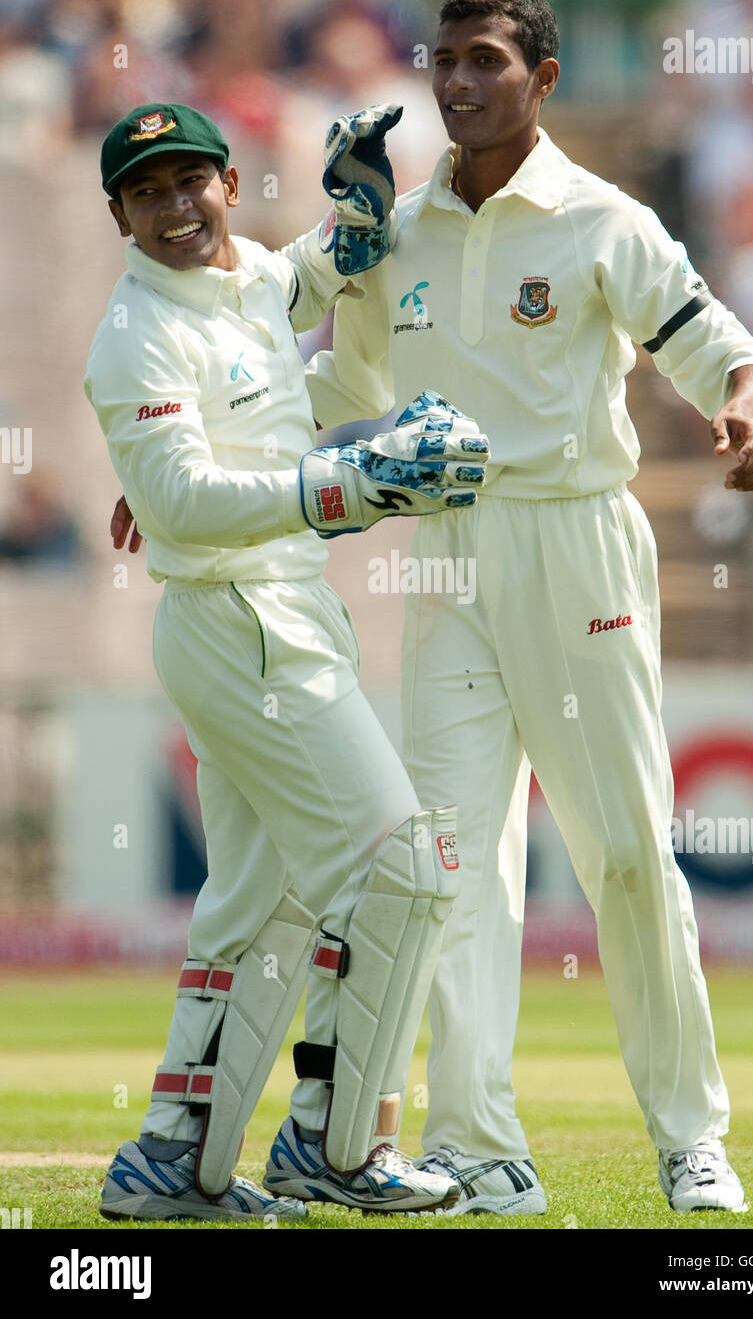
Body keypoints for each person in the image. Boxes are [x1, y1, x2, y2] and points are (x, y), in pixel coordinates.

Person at [299, 0, 753, 1216]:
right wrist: (322, 281)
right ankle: (476, 1147)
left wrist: (738, 404)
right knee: (451, 864)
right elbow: (333, 384)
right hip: (448, 555)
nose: (456, 84)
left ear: (543, 78)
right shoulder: (395, 229)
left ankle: (691, 1138)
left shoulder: (599, 219)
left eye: (483, 62)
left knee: (625, 854)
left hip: (576, 550)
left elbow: (721, 342)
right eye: (442, 63)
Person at [85, 100, 490, 1223]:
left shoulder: (247, 275)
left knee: (258, 905)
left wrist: (361, 198)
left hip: (276, 612)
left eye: (189, 182)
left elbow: (316, 271)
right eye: (146, 192)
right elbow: (177, 498)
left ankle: (174, 1161)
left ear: (225, 181)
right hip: (237, 622)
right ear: (117, 213)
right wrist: (349, 486)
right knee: (404, 871)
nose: (174, 208)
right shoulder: (134, 334)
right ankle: (337, 1144)